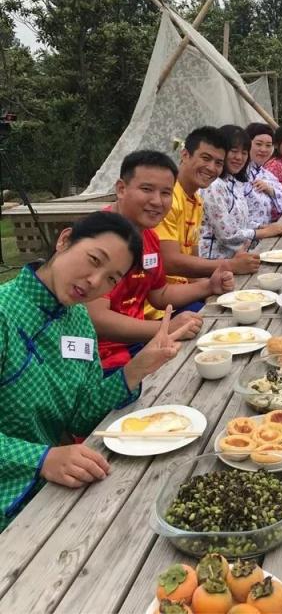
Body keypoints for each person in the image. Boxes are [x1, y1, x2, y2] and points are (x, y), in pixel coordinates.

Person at [0, 211, 190, 531]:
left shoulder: (79, 320)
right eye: (93, 259)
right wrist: (42, 458)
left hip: (53, 489)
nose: (93, 282)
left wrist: (138, 367)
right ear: (64, 240)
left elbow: (82, 416)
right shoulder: (5, 311)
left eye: (111, 279)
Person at [87, 151, 234, 374]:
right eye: (146, 189)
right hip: (99, 359)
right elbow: (96, 319)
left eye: (166, 192)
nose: (157, 201)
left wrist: (209, 286)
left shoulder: (148, 236)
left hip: (139, 344)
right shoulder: (97, 237)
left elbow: (159, 295)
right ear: (121, 189)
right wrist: (164, 328)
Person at [150, 127, 260, 310]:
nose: (211, 168)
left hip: (185, 295)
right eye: (205, 158)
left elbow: (193, 264)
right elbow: (169, 262)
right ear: (185, 155)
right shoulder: (167, 199)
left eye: (218, 163)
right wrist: (230, 265)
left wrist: (211, 288)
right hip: (160, 306)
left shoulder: (197, 201)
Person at [201, 125, 282, 260]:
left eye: (244, 153)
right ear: (221, 151)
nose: (239, 157)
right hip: (214, 263)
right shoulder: (213, 185)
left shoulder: (235, 182)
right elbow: (228, 235)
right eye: (234, 151)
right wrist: (265, 232)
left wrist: (263, 226)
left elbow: (240, 222)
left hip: (238, 257)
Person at [246, 123, 282, 223]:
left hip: (267, 231)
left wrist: (270, 190)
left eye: (268, 145)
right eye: (258, 144)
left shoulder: (266, 173)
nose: (263, 150)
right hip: (253, 234)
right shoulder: (240, 173)